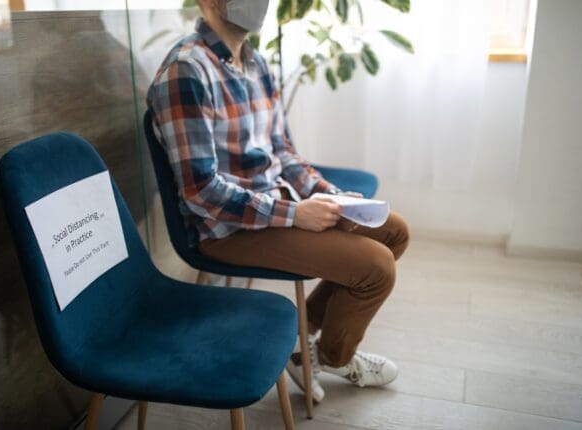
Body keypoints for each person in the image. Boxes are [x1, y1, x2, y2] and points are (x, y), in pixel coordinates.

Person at [146, 0, 410, 402]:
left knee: (393, 232)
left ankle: (304, 350)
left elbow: (282, 152)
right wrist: (293, 215)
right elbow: (201, 192)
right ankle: (333, 356)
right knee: (377, 269)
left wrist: (326, 194)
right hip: (226, 229)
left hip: (273, 204)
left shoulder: (255, 63)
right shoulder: (186, 71)